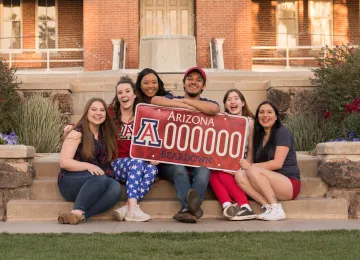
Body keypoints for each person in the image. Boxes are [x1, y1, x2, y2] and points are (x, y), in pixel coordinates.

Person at [151, 66, 220, 223]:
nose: (193, 82)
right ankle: (190, 208)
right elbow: (155, 100)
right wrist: (186, 104)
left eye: (198, 80)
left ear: (204, 86)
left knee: (204, 173)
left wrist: (183, 103)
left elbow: (214, 109)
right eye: (190, 79)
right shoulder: (171, 97)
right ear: (183, 83)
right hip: (172, 158)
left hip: (197, 157)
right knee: (179, 169)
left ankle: (186, 210)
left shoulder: (207, 102)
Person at [58, 98, 122, 225]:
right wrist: (88, 166)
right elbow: (64, 162)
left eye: (102, 110)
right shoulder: (76, 133)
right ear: (87, 112)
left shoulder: (104, 134)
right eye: (94, 109)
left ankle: (80, 216)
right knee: (101, 177)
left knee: (116, 188)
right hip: (70, 182)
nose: (98, 113)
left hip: (94, 183)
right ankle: (77, 211)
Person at [235, 101, 301, 221]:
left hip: (289, 183)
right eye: (261, 112)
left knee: (252, 170)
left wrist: (251, 166)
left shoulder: (282, 132)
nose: (265, 115)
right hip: (269, 181)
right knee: (239, 175)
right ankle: (268, 206)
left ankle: (277, 208)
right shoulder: (259, 136)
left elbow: (277, 163)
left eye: (269, 112)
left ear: (276, 117)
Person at [110, 76, 158, 222]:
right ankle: (133, 210)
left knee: (153, 170)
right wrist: (73, 126)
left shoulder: (143, 115)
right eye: (120, 92)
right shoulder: (110, 113)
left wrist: (154, 156)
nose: (124, 95)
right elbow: (91, 117)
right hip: (116, 163)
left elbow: (157, 136)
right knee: (137, 162)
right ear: (117, 96)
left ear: (134, 94)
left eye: (127, 91)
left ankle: (128, 207)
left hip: (137, 163)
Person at [210, 89, 257, 220]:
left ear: (242, 103)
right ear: (225, 105)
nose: (232, 102)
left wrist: (244, 166)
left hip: (242, 161)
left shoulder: (250, 122)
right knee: (213, 171)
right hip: (226, 160)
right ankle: (227, 206)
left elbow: (251, 149)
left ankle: (245, 206)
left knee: (221, 172)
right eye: (229, 99)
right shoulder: (222, 120)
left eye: (236, 98)